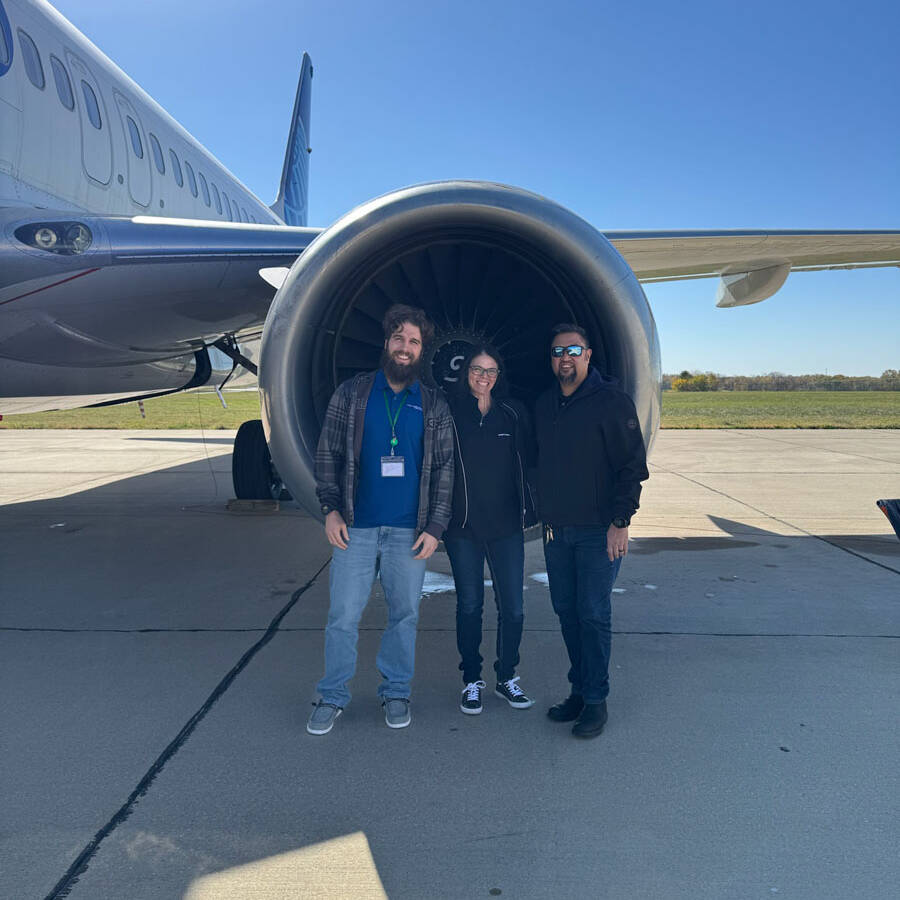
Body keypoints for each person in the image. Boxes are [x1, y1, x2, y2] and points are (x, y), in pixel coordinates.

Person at [307, 304, 454, 735]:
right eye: (398, 338)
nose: (405, 347)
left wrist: (435, 527)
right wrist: (330, 509)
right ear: (386, 343)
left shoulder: (432, 403)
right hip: (357, 527)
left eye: (414, 341)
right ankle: (332, 695)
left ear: (421, 350)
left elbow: (444, 469)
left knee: (404, 614)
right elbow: (327, 454)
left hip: (410, 532)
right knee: (343, 616)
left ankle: (396, 691)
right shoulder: (352, 394)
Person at [534, 324, 649, 739]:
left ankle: (597, 701)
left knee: (593, 614)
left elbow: (632, 467)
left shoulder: (611, 402)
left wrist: (621, 523)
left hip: (599, 532)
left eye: (573, 350)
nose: (564, 357)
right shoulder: (545, 404)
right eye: (557, 351)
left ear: (587, 354)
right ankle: (580, 691)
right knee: (567, 613)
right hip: (556, 533)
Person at [444, 344, 538, 715]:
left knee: (513, 608)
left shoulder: (513, 413)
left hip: (506, 528)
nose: (483, 377)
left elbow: (532, 460)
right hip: (462, 528)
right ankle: (471, 680)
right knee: (470, 606)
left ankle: (506, 677)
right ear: (465, 372)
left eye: (491, 371)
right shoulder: (450, 413)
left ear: (499, 376)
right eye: (477, 370)